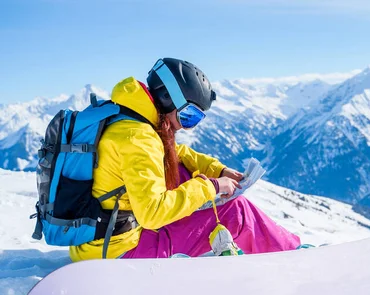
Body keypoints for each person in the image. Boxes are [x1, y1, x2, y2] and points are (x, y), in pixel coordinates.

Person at [69, 58, 302, 261]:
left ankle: (280, 247)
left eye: (195, 118)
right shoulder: (139, 139)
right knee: (234, 211)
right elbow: (152, 214)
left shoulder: (129, 118)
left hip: (98, 241)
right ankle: (292, 255)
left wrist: (218, 171)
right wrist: (210, 186)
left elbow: (178, 154)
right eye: (187, 115)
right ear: (167, 99)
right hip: (120, 253)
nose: (186, 126)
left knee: (179, 168)